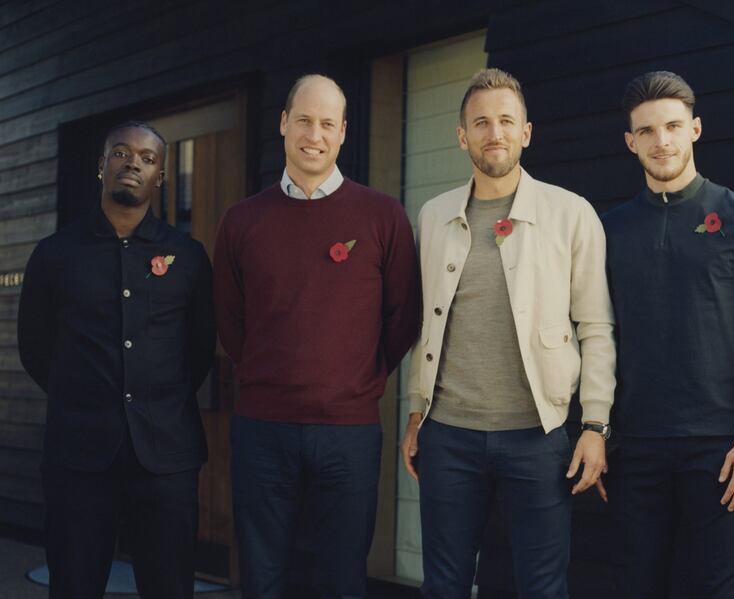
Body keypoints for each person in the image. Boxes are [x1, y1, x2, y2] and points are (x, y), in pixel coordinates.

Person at [401, 67, 616, 599]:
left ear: (526, 131)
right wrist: (415, 414)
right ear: (462, 136)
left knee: (542, 587)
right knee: (444, 584)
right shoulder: (431, 217)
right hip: (447, 434)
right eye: (480, 122)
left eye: (505, 121)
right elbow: (424, 328)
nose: (493, 132)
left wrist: (595, 424)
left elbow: (596, 325)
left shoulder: (571, 214)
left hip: (538, 437)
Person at [213, 74, 421, 599]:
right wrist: (270, 376)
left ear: (344, 132)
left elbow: (404, 317)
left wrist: (357, 378)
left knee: (342, 579)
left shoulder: (382, 216)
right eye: (304, 120)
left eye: (328, 123)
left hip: (348, 430)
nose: (314, 134)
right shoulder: (241, 221)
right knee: (262, 578)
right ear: (283, 124)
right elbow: (229, 320)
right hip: (262, 427)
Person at [603, 71, 734, 599]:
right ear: (629, 141)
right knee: (638, 586)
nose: (661, 141)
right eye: (647, 131)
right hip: (634, 447)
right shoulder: (608, 229)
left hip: (720, 449)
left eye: (673, 126)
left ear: (696, 129)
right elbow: (595, 335)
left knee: (716, 587)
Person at [18, 121, 215, 599]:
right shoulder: (55, 254)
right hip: (78, 455)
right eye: (122, 153)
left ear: (161, 178)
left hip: (166, 455)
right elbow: (35, 349)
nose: (133, 164)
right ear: (101, 166)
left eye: (148, 159)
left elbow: (200, 350)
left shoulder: (188, 257)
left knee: (168, 587)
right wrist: (85, 395)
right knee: (74, 585)